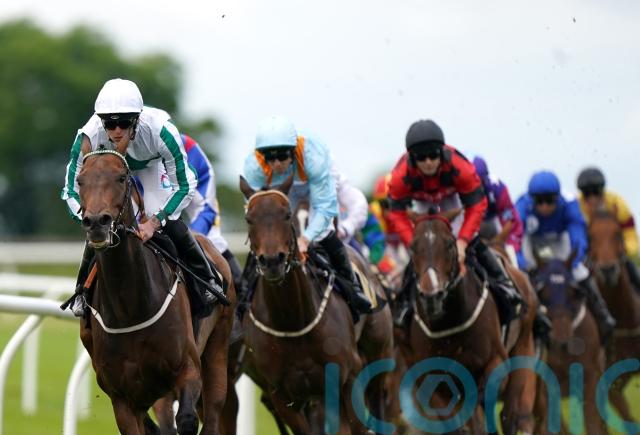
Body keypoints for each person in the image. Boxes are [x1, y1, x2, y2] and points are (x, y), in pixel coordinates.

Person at [61, 78, 222, 316]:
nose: (117, 131)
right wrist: (88, 217)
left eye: (124, 123)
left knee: (167, 220)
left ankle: (206, 279)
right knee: (97, 222)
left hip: (151, 168)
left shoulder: (161, 131)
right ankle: (82, 292)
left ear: (137, 119)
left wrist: (154, 222)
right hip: (108, 172)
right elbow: (70, 190)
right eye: (110, 124)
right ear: (101, 121)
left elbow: (185, 185)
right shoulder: (89, 135)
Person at [386, 119, 523, 326]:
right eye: (421, 157)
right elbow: (396, 214)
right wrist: (412, 242)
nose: (428, 162)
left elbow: (476, 205)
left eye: (433, 155)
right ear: (412, 159)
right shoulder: (399, 176)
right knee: (423, 249)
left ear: (441, 153)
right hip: (423, 204)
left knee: (471, 240)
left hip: (454, 201)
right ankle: (404, 302)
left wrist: (463, 241)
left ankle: (504, 285)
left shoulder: (461, 167)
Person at [242, 115, 372, 315]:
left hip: (316, 184)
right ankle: (243, 297)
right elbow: (256, 210)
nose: (276, 164)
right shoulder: (254, 166)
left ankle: (352, 288)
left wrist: (306, 238)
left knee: (323, 232)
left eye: (282, 156)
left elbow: (325, 208)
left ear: (293, 151)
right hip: (285, 188)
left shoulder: (314, 158)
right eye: (270, 158)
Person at [516, 170, 616, 344]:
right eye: (539, 201)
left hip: (559, 239)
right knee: (522, 273)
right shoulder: (522, 205)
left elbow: (578, 235)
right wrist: (522, 263)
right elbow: (516, 237)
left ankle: (602, 314)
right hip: (533, 242)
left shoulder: (569, 203)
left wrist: (574, 261)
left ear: (557, 198)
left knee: (580, 272)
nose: (544, 206)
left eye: (549, 201)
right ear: (532, 199)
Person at [180, 134, 243, 292]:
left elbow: (206, 210)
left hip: (199, 202)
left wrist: (189, 238)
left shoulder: (189, 151)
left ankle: (240, 286)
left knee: (211, 239)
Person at [577, 167, 640, 293]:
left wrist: (627, 250)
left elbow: (630, 234)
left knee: (632, 266)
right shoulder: (577, 206)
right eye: (587, 194)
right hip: (590, 252)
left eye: (596, 192)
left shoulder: (618, 204)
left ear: (603, 190)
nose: (593, 198)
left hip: (617, 251)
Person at [472, 156, 524, 265]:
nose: (474, 186)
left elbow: (509, 221)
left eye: (478, 181)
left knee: (515, 258)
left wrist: (495, 243)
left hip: (493, 226)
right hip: (468, 223)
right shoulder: (453, 187)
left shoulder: (497, 188)